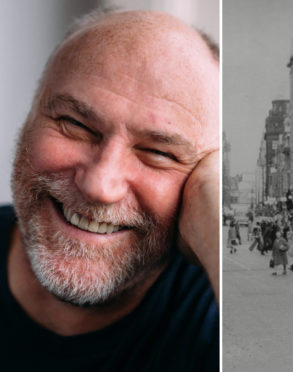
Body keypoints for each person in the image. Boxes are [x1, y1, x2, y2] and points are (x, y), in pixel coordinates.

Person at [0, 9, 220, 370]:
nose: (101, 186)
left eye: (159, 153)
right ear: (29, 120)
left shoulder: (212, 317)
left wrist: (215, 224)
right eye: (74, 124)